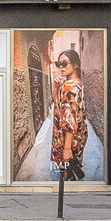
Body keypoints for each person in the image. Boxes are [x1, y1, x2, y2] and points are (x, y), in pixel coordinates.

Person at [49, 48, 89, 181]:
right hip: (76, 138)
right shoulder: (75, 84)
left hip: (67, 139)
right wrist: (56, 87)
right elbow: (56, 102)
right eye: (58, 64)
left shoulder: (69, 88)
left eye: (65, 63)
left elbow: (69, 121)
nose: (61, 67)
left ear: (75, 65)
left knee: (66, 174)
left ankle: (66, 198)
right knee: (71, 171)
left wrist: (66, 148)